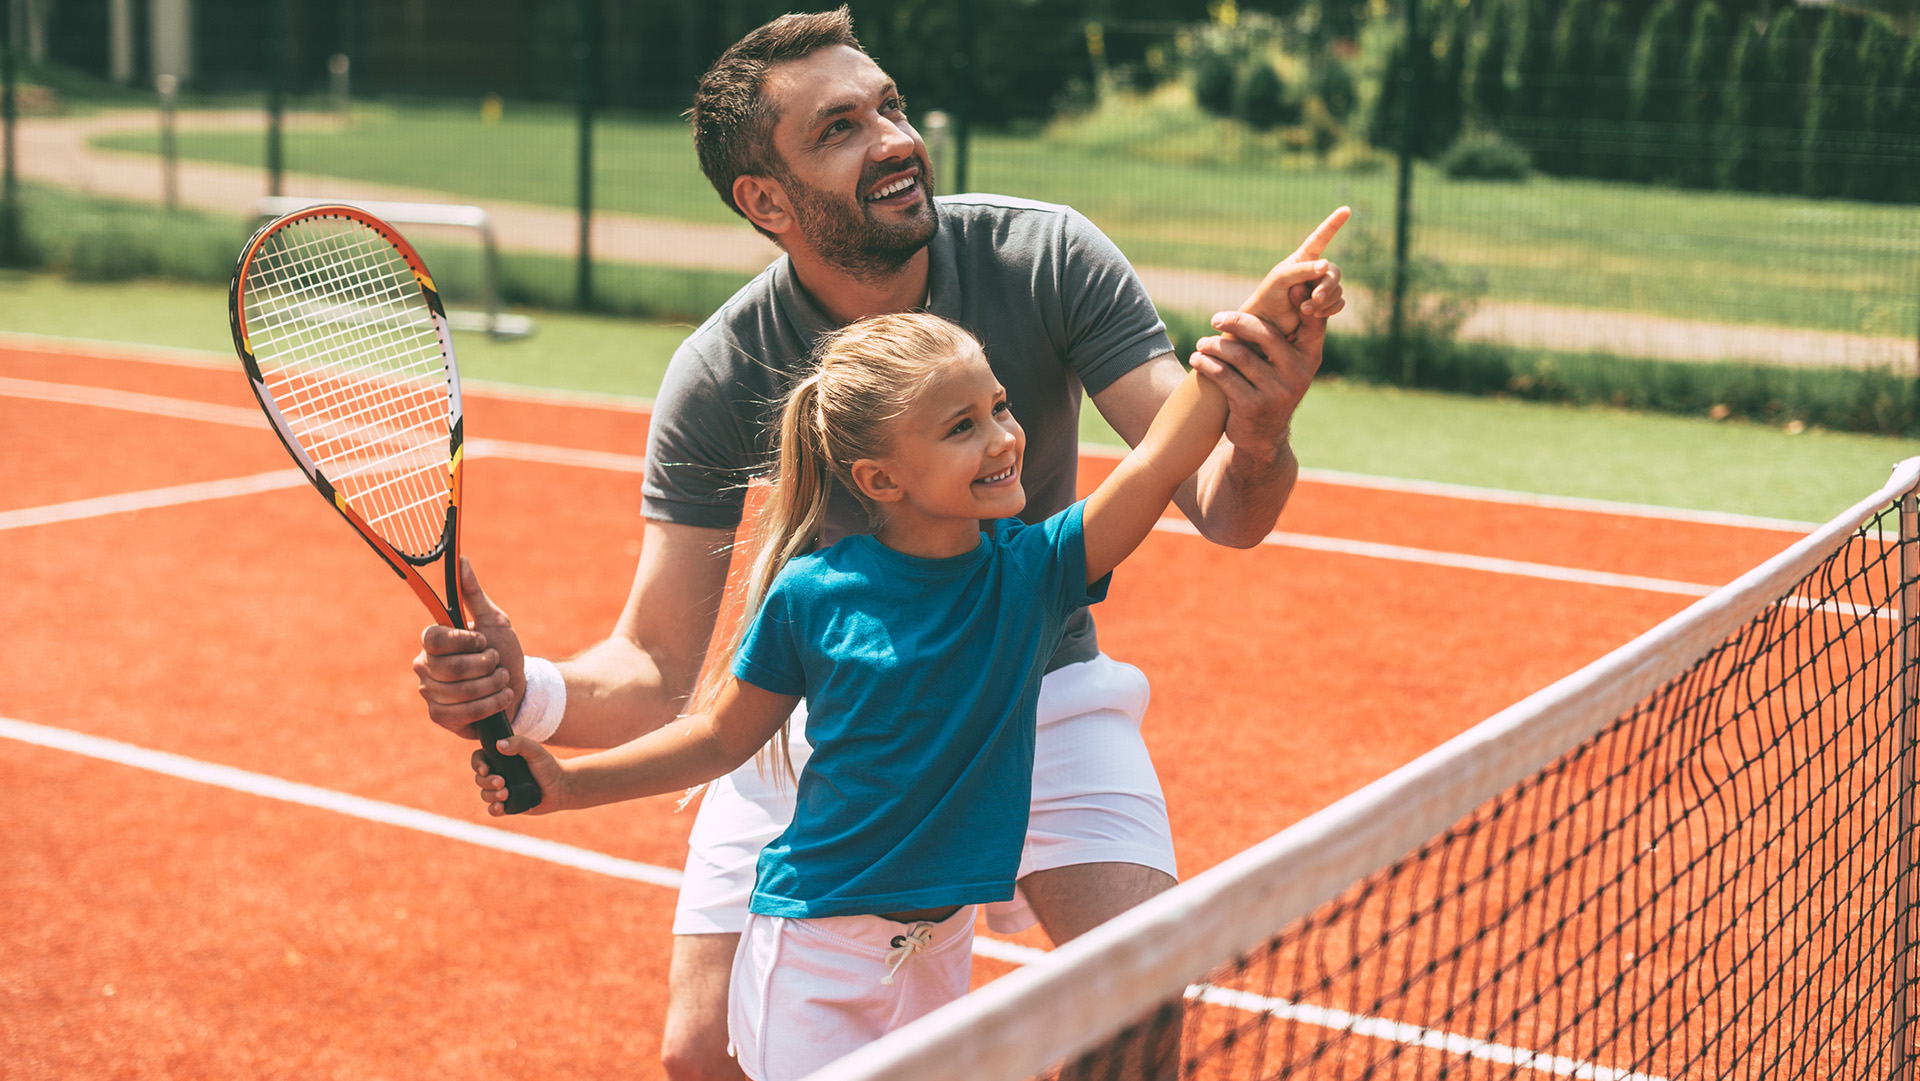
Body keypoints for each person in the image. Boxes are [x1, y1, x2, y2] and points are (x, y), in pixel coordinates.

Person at [412, 9, 1345, 1079]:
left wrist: (1259, 426)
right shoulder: (721, 372)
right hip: (831, 709)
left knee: (1136, 994)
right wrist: (520, 692)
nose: (895, 138)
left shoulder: (1047, 257)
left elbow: (1218, 504)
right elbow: (662, 669)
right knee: (702, 1055)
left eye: (890, 106)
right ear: (766, 201)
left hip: (1034, 682)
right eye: (841, 128)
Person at [474, 311, 1235, 1080]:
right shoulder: (812, 595)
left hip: (937, 952)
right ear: (879, 478)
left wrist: (1238, 346)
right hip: (816, 957)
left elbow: (1156, 463)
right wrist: (569, 786)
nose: (1003, 437)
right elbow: (717, 738)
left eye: (1000, 406)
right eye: (962, 426)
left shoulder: (1033, 571)